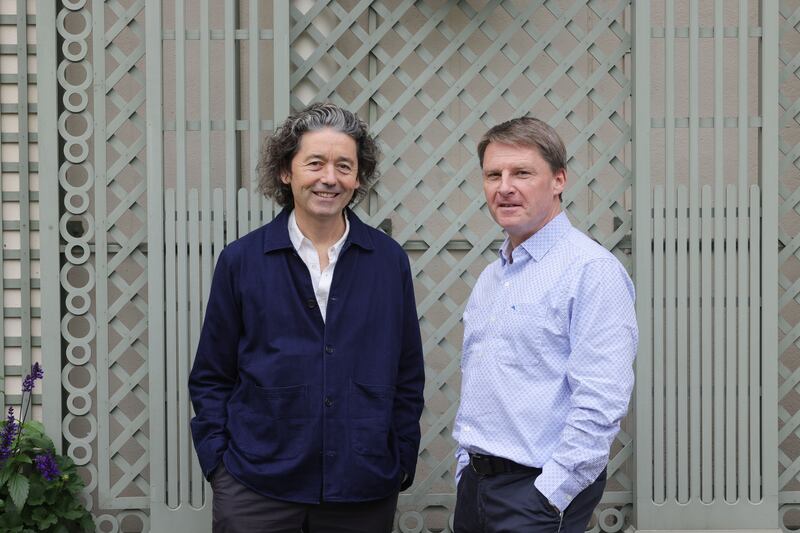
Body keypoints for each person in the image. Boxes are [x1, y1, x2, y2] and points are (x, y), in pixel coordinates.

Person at [189, 102, 425, 533]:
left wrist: (401, 455)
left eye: (344, 166)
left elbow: (407, 372)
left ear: (358, 177)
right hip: (255, 486)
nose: (329, 178)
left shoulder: (388, 261)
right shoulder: (242, 260)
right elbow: (211, 374)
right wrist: (218, 466)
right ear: (286, 171)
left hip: (362, 486)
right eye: (315, 163)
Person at [452, 117, 638, 533]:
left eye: (522, 173)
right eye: (493, 175)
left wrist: (550, 493)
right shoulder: (491, 278)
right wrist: (466, 468)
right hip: (477, 490)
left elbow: (601, 401)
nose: (504, 187)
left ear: (558, 180)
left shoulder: (590, 271)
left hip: (535, 494)